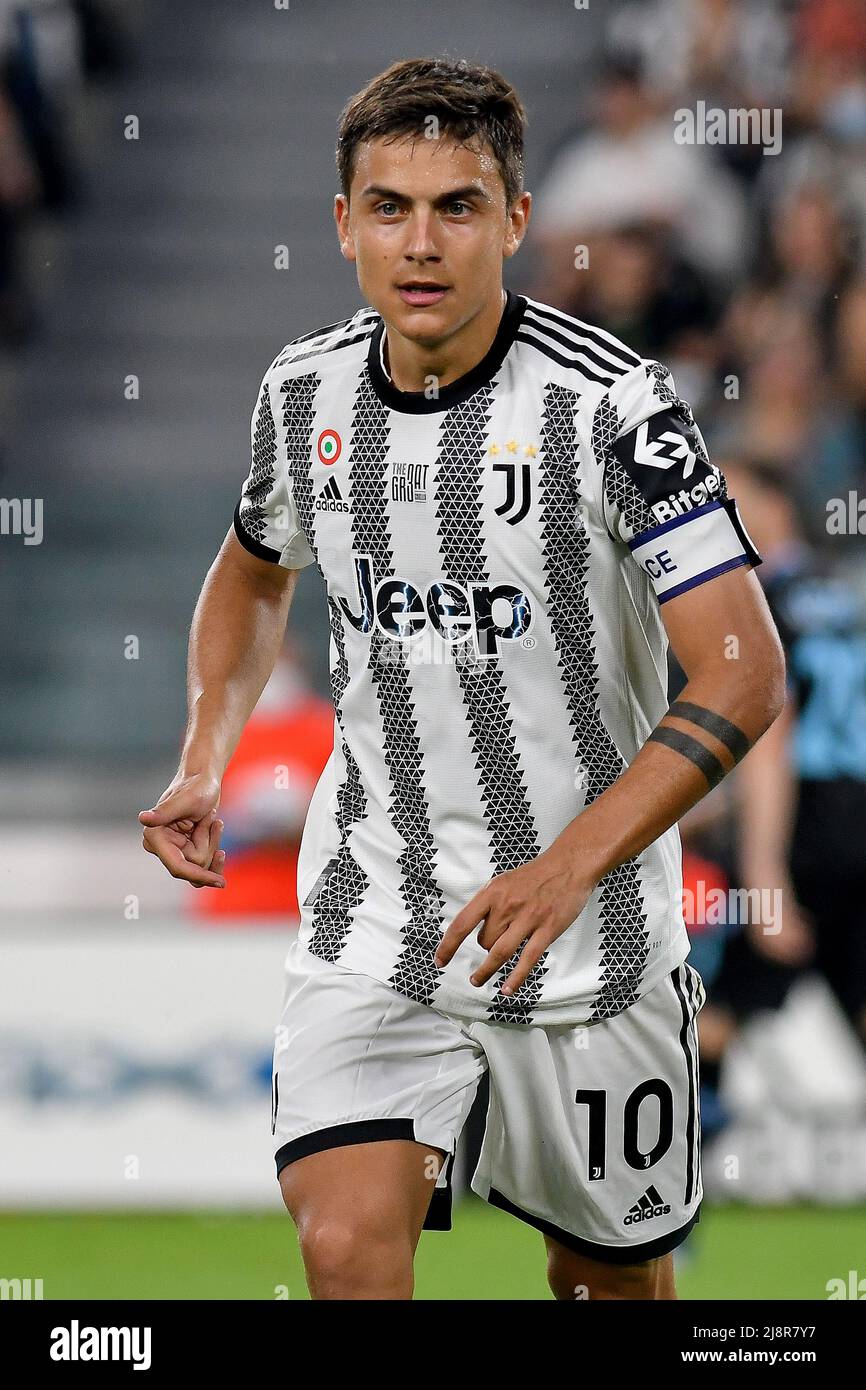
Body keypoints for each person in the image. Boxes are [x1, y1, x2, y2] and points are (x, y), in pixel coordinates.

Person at [139, 56, 785, 1301]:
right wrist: (201, 758)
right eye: (388, 206)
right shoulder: (301, 392)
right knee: (343, 1248)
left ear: (516, 220)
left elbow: (741, 669)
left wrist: (567, 863)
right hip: (371, 920)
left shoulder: (617, 408)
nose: (420, 242)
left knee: (609, 1289)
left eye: (457, 206)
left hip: (594, 941)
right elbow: (255, 569)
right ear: (342, 224)